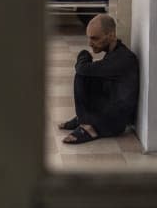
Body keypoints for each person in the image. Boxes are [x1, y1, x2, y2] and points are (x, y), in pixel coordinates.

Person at [59, 14, 139, 144]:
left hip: (114, 123)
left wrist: (84, 54)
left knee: (82, 75)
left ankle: (87, 125)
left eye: (95, 38)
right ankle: (82, 118)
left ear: (111, 35)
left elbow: (82, 69)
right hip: (109, 108)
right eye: (89, 38)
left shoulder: (123, 59)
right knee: (87, 74)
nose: (90, 43)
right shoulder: (114, 53)